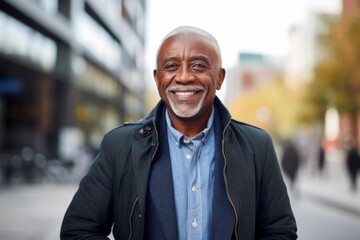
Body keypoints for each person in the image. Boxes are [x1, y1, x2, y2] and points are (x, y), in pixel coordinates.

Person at [60, 26, 297, 240]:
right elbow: (78, 230)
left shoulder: (257, 147)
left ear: (220, 78)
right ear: (157, 78)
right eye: (171, 66)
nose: (183, 77)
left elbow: (280, 232)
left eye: (198, 66)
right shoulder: (119, 146)